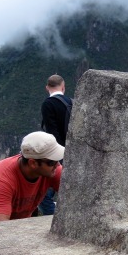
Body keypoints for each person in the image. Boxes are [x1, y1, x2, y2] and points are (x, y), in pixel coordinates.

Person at [0, 132, 64, 225]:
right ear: (33, 163)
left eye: (57, 160)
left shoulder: (51, 170)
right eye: (51, 162)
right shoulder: (2, 179)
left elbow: (76, 193)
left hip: (18, 220)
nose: (57, 165)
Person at [40, 74, 73, 215]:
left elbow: (52, 132)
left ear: (47, 87)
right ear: (63, 86)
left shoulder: (48, 104)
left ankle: (52, 217)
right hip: (74, 151)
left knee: (44, 194)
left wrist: (57, 155)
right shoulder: (71, 102)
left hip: (57, 153)